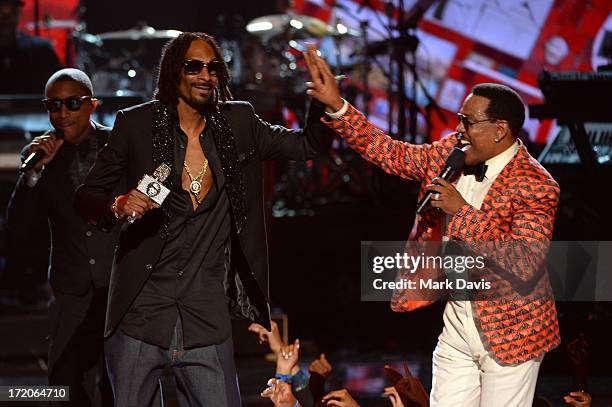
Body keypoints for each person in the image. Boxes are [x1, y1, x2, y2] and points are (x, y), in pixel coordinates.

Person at [74, 32, 334, 406]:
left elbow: (307, 144)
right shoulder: (136, 124)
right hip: (140, 316)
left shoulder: (239, 122)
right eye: (194, 66)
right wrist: (118, 204)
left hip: (205, 320)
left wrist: (324, 104)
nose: (205, 75)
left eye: (213, 68)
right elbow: (85, 197)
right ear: (173, 72)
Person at [303, 46, 560, 406]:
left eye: (468, 122)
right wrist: (338, 106)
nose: (459, 129)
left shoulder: (536, 184)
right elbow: (392, 153)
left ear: (500, 130)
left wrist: (461, 212)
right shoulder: (452, 153)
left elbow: (524, 261)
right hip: (458, 324)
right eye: (460, 118)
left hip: (513, 331)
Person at [6, 68, 116, 406]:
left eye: (71, 103)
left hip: (120, 287)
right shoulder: (40, 155)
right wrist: (33, 174)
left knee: (123, 385)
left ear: (92, 105)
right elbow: (19, 229)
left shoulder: (119, 144)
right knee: (65, 385)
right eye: (53, 105)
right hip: (72, 291)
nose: (62, 113)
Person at [0, 0, 62, 94]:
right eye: (1, 13)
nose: (6, 19)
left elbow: (61, 89)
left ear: (19, 14)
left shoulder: (42, 51)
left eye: (12, 12)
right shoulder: (42, 49)